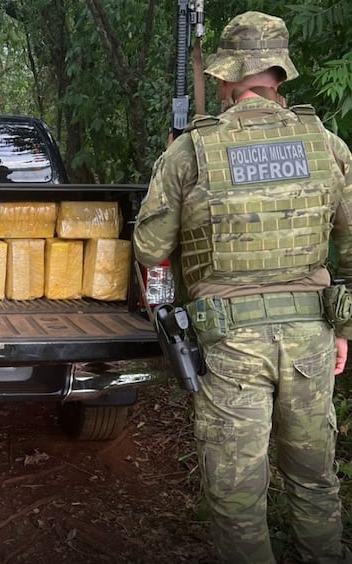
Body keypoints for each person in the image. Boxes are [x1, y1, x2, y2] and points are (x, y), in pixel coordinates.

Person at [134, 11, 352, 564]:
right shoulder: (326, 144)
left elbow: (149, 247)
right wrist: (345, 328)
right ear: (279, 76)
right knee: (316, 482)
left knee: (238, 497)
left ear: (227, 78)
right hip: (312, 334)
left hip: (231, 343)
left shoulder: (192, 150)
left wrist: (173, 167)